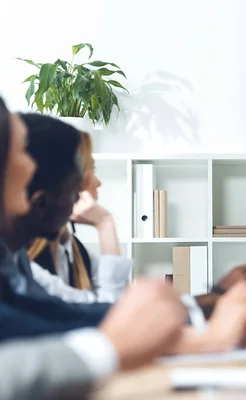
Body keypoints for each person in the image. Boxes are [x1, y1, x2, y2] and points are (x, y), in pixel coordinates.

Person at [0, 95, 187, 399]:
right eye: (20, 152)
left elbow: (56, 312)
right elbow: (33, 326)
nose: (28, 164)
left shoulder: (26, 255)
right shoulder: (28, 254)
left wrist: (185, 310)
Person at [28, 131, 131, 302]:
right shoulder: (27, 262)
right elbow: (109, 311)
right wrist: (105, 225)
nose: (98, 183)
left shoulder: (74, 250)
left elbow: (120, 303)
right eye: (92, 170)